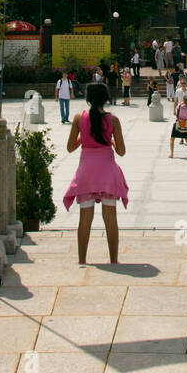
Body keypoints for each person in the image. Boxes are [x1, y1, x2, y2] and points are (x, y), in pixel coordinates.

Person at [63, 83, 128, 265]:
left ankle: (82, 260)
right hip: (107, 171)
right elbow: (121, 151)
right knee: (110, 218)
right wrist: (112, 142)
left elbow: (69, 147)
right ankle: (114, 260)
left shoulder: (78, 118)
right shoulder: (113, 120)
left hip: (86, 172)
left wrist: (82, 138)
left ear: (88, 98)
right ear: (106, 99)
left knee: (85, 218)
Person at [169, 94, 187, 159]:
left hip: (179, 123)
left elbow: (177, 111)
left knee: (172, 139)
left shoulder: (180, 106)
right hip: (186, 123)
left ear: (183, 100)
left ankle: (172, 154)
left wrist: (181, 103)